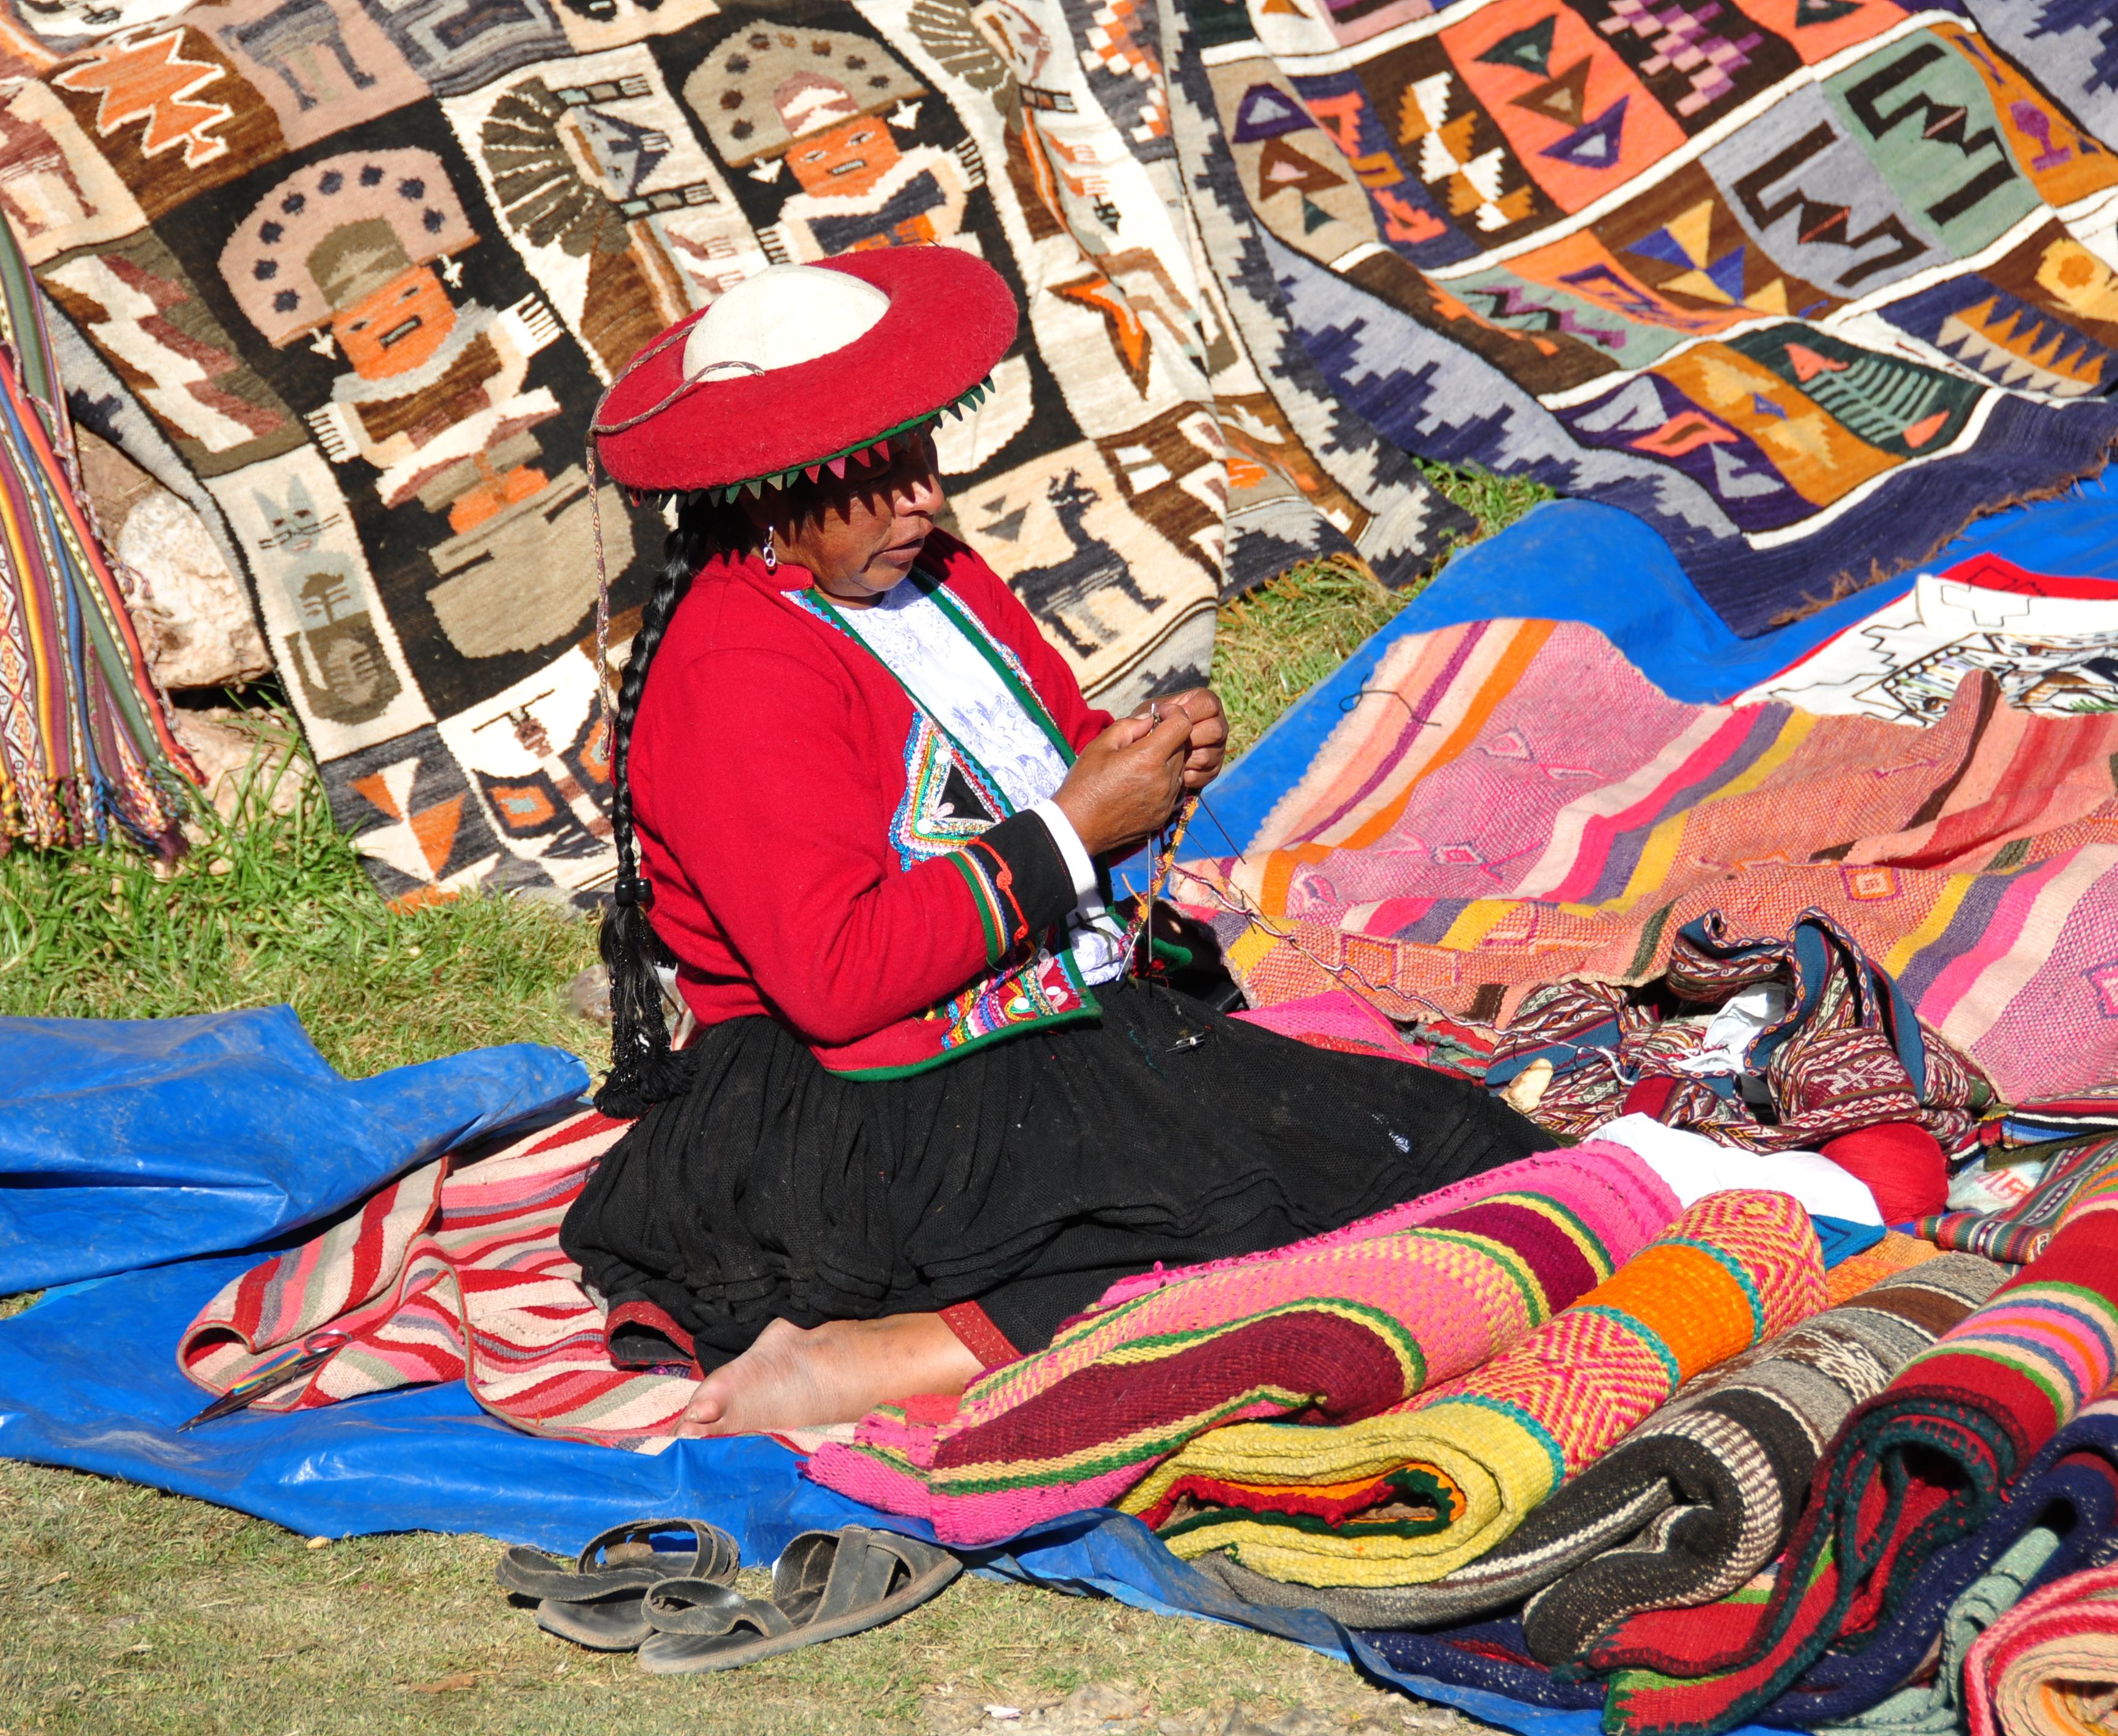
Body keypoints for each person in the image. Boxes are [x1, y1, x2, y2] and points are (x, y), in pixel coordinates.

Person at [563, 248, 1553, 1435]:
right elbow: (834, 978)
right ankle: (881, 1354)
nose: (918, 498)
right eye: (867, 477)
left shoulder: (935, 577)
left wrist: (1138, 756)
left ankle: (936, 1332)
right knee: (1275, 1203)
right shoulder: (735, 666)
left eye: (915, 457)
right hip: (847, 1109)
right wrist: (1082, 824)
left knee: (1449, 1153)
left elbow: (1031, 757)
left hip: (1008, 1031)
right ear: (770, 492)